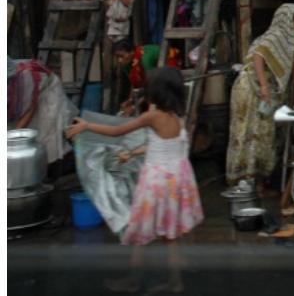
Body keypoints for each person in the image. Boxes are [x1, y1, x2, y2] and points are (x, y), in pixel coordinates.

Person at [66, 68, 202, 293]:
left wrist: (87, 126)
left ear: (155, 92)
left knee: (140, 232)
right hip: (176, 179)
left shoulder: (152, 116)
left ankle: (133, 281)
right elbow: (163, 145)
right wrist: (133, 153)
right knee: (171, 235)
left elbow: (118, 131)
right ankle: (176, 283)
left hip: (156, 182)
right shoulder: (177, 116)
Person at [224, 4, 294, 201]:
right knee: (252, 135)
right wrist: (265, 86)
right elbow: (259, 55)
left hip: (257, 93)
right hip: (252, 91)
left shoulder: (288, 41)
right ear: (286, 22)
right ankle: (251, 186)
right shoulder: (276, 36)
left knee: (263, 137)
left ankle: (256, 185)